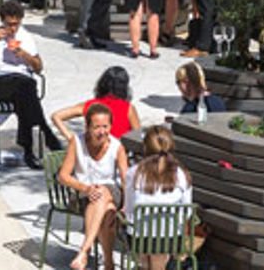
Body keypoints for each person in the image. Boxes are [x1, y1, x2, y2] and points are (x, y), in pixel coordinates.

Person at [0, 1, 62, 170]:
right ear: (2, 21)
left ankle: (28, 151)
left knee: (24, 94)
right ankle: (45, 130)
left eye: (16, 24)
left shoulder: (24, 36)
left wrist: (23, 54)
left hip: (21, 83)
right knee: (26, 89)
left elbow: (39, 66)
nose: (13, 29)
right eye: (9, 24)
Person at [57, 103, 129, 270]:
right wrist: (86, 188)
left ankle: (84, 252)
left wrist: (126, 205)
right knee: (107, 210)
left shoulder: (117, 147)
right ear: (87, 127)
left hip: (111, 191)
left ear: (111, 126)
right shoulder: (77, 142)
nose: (102, 131)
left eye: (105, 126)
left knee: (103, 193)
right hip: (82, 193)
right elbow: (63, 176)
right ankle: (109, 264)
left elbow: (126, 181)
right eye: (96, 127)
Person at [123, 126, 193, 270]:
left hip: (140, 237)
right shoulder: (181, 174)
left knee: (146, 252)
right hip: (171, 237)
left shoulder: (134, 173)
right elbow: (188, 210)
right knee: (158, 253)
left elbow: (129, 208)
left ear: (145, 147)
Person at [51, 66, 142, 142]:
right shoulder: (128, 108)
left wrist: (72, 139)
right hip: (118, 156)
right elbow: (138, 137)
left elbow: (56, 116)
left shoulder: (91, 105)